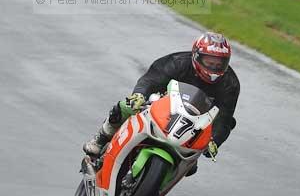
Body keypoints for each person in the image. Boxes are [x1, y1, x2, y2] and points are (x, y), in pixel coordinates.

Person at [83, 32, 239, 163]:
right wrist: (139, 95)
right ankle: (101, 138)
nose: (213, 68)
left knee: (192, 165)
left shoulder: (230, 83)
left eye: (219, 64)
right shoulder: (177, 63)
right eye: (209, 62)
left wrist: (214, 140)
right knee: (127, 105)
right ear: (197, 56)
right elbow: (150, 80)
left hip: (193, 123)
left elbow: (224, 118)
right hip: (161, 107)